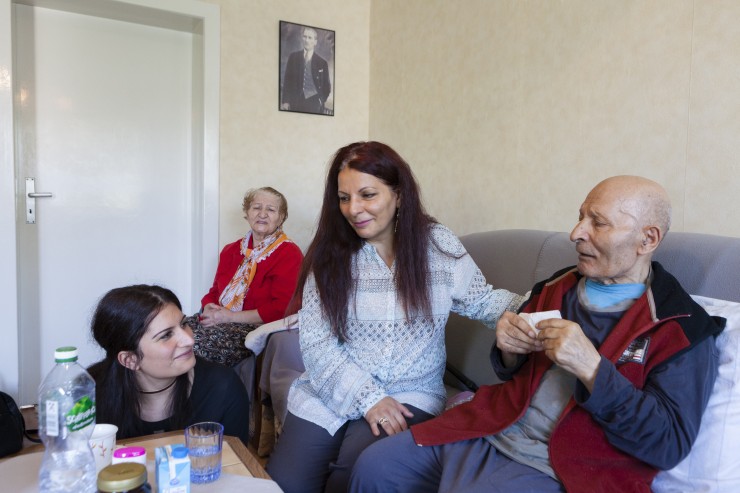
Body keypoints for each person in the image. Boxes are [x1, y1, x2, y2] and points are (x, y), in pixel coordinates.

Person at [349, 176, 725, 493]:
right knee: (374, 468)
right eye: (580, 218)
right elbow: (511, 371)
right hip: (491, 428)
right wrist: (509, 349)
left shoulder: (681, 328)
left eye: (599, 223)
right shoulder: (557, 287)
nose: (576, 233)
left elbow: (667, 444)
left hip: (565, 463)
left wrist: (594, 370)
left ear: (648, 239)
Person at [265, 141, 524, 493]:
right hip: (330, 389)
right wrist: (367, 397)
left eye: (367, 194)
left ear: (399, 195)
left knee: (351, 475)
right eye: (344, 198)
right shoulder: (330, 255)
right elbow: (316, 340)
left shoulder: (437, 246)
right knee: (283, 486)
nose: (354, 209)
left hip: (410, 394)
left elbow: (484, 301)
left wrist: (542, 304)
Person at [87, 284, 250, 444]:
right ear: (130, 360)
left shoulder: (223, 388)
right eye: (166, 336)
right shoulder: (88, 395)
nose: (189, 339)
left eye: (184, 324)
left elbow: (235, 464)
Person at [191, 186, 303, 367]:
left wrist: (229, 317)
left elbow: (283, 307)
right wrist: (208, 308)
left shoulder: (289, 253)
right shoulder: (231, 250)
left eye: (271, 209)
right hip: (219, 319)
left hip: (251, 327)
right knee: (167, 335)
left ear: (281, 218)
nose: (262, 214)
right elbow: (215, 291)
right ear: (247, 213)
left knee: (191, 345)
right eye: (256, 207)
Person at [280, 26, 331, 114]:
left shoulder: (322, 63)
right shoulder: (293, 57)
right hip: (295, 102)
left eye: (309, 38)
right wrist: (285, 101)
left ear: (315, 42)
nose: (306, 40)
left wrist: (320, 100)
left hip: (314, 104)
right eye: (305, 37)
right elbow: (287, 81)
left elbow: (327, 87)